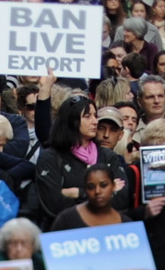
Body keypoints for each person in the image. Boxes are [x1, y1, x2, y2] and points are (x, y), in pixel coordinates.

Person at [35, 93, 131, 226]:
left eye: (95, 115)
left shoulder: (108, 156)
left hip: (105, 232)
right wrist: (104, 192)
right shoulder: (50, 157)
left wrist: (77, 192)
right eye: (87, 116)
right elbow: (53, 204)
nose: (95, 121)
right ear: (71, 121)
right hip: (67, 235)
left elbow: (122, 199)